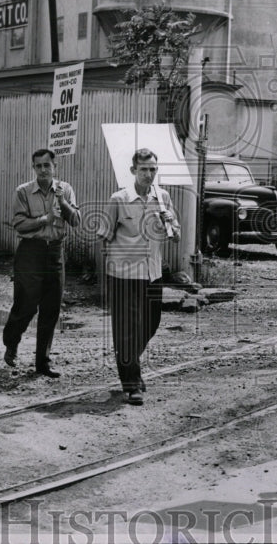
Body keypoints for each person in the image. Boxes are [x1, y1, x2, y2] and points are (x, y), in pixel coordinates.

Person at [98, 148, 180, 405]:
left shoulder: (163, 197)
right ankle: (131, 383)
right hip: (124, 274)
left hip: (152, 273)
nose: (149, 174)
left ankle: (129, 359)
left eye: (153, 169)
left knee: (151, 324)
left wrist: (170, 223)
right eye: (143, 169)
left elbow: (176, 234)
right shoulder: (119, 199)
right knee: (127, 330)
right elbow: (104, 235)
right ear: (133, 171)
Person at [2, 149, 81, 376]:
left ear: (54, 166)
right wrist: (44, 220)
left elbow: (76, 220)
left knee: (51, 308)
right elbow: (19, 224)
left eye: (47, 165)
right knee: (26, 304)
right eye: (39, 166)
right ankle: (12, 341)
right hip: (30, 252)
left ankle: (42, 363)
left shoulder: (65, 189)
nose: (43, 170)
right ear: (33, 168)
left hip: (55, 252)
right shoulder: (23, 192)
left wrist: (62, 202)